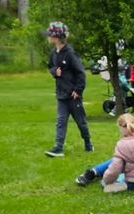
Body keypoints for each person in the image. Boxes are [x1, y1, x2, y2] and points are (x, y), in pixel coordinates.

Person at [44, 21, 92, 158]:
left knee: (81, 122)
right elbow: (50, 67)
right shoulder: (53, 53)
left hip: (73, 96)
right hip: (61, 95)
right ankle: (58, 147)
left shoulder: (70, 54)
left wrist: (78, 90)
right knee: (60, 121)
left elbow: (81, 73)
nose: (48, 37)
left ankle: (88, 143)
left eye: (50, 35)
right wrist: (54, 71)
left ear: (57, 37)